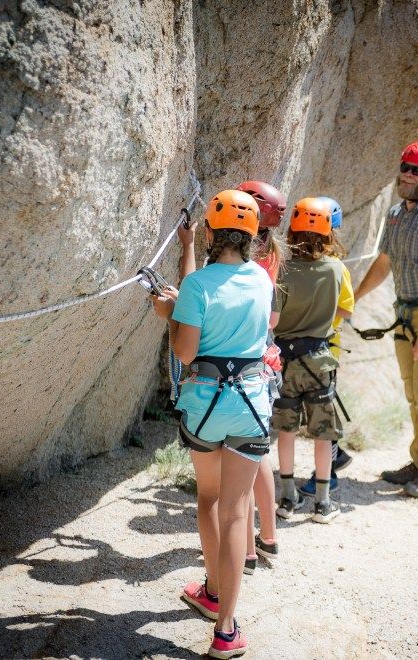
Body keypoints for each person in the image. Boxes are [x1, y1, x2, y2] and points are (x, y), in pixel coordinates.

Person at [151, 189, 274, 658]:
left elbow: (185, 352)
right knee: (237, 510)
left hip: (206, 406)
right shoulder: (262, 280)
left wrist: (168, 316)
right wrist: (185, 258)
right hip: (251, 403)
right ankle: (226, 629)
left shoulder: (200, 287)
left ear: (210, 231)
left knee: (209, 498)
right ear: (252, 237)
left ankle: (213, 591)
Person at [353, 140, 418, 500]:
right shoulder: (396, 215)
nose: (407, 175)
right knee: (414, 395)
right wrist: (353, 298)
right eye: (405, 167)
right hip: (404, 314)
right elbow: (384, 263)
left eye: (416, 171)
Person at [272, 197, 353, 523]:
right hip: (319, 360)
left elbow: (274, 320)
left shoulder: (285, 268)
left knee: (286, 431)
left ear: (292, 231)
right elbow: (344, 311)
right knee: (322, 433)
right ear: (328, 232)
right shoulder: (336, 269)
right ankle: (322, 503)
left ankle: (288, 499)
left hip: (286, 363)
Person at [236, 180, 286, 573]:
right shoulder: (272, 255)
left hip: (242, 360)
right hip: (265, 356)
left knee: (243, 458)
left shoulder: (247, 261)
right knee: (258, 451)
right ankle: (267, 536)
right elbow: (272, 318)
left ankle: (249, 552)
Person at [298, 196, 354, 499]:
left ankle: (328, 474)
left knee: (320, 417)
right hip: (316, 349)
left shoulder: (336, 269)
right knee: (315, 411)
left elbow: (346, 308)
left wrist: (317, 313)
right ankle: (336, 457)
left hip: (323, 350)